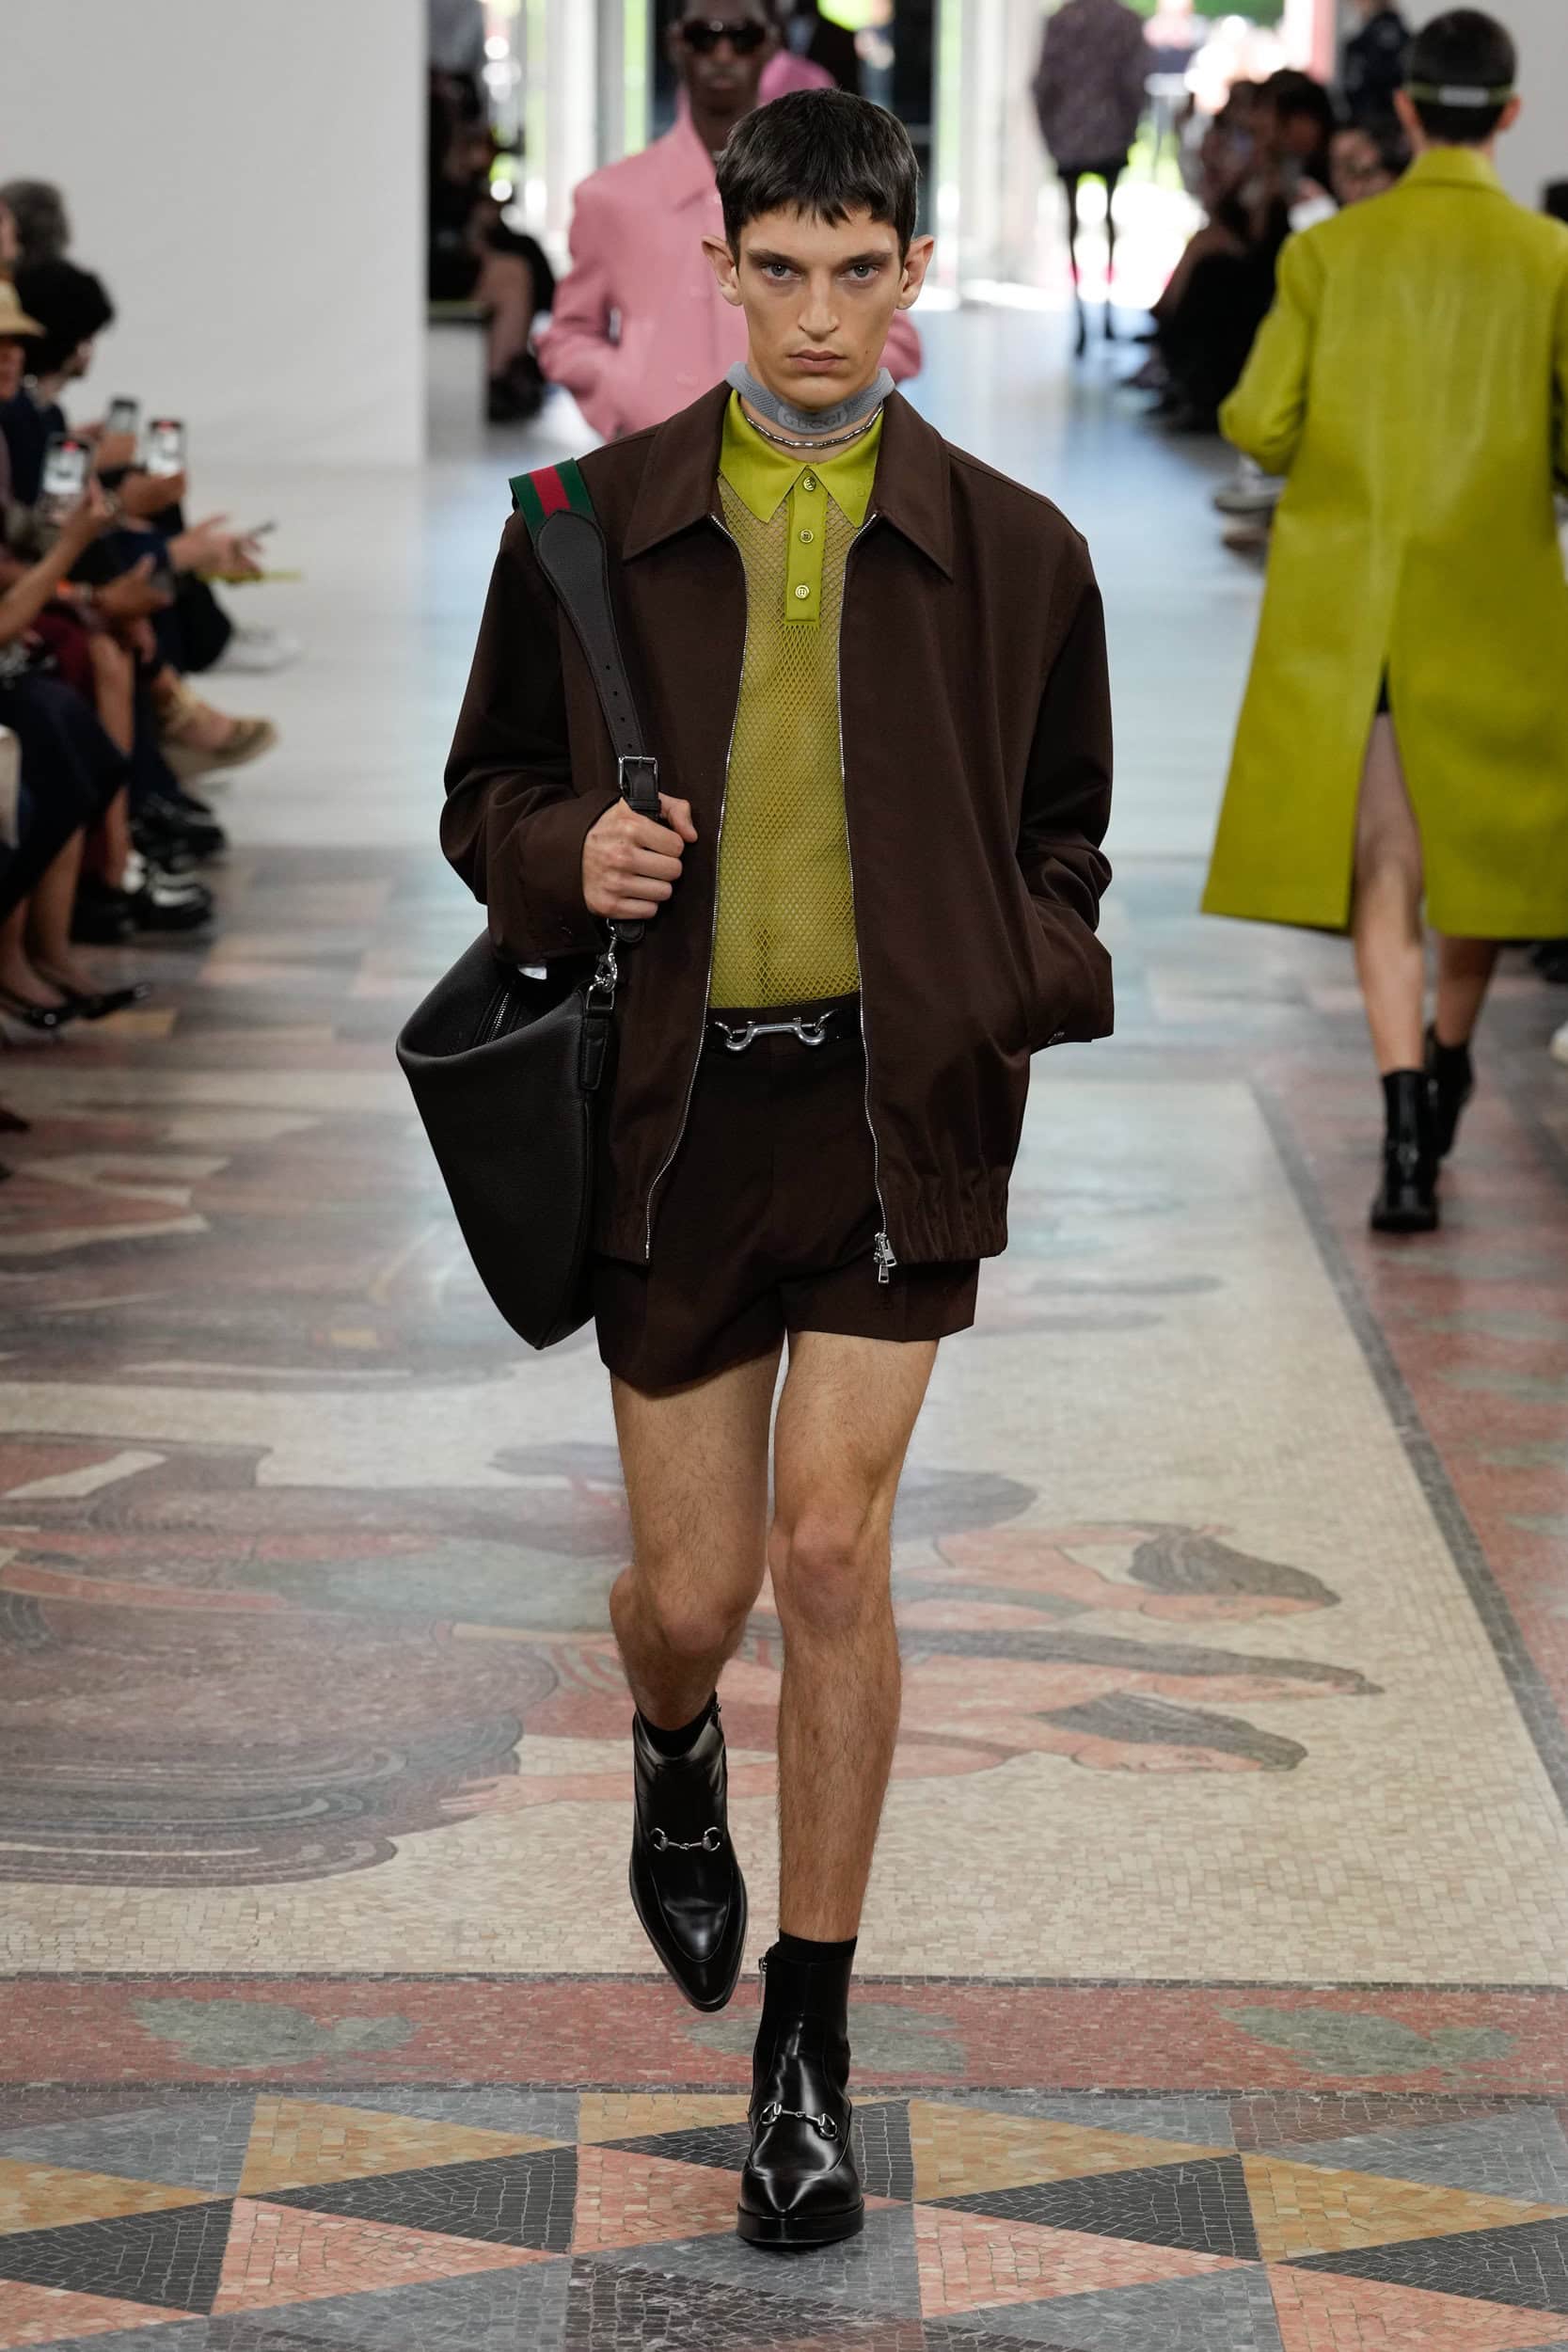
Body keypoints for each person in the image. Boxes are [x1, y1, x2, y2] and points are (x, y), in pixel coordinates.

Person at [442, 87, 1113, 2247]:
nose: (817, 316)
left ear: (910, 274)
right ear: (721, 268)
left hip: (895, 1113)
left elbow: (1065, 829)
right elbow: (487, 793)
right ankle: (670, 1742)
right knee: (691, 1595)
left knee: (830, 1552)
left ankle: (805, 2044)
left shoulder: (1020, 551)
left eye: (856, 272)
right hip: (673, 1119)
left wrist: (1014, 970)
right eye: (781, 271)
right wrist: (571, 853)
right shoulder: (585, 525)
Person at [1203, 10, 1568, 1232]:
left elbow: (1258, 422)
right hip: (1494, 595)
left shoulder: (1330, 256)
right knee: (1479, 859)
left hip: (1351, 599)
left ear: (1404, 112)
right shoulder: (1548, 258)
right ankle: (1447, 1061)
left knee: (1388, 862)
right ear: (1507, 115)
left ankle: (1401, 1118)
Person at [539, 1, 920, 441]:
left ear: (770, 46)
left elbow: (895, 332)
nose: (722, 54)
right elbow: (569, 334)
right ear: (677, 44)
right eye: (704, 36)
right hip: (656, 452)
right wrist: (629, 389)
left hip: (798, 455)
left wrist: (821, 403)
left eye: (743, 37)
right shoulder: (610, 196)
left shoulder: (826, 189)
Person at [1031, 0, 1150, 353]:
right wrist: (1130, 129)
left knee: (1072, 221)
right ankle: (1106, 313)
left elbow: (1042, 85)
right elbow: (1136, 84)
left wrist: (1051, 135)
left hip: (1069, 136)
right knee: (1109, 218)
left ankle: (1082, 315)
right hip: (1111, 133)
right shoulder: (1125, 21)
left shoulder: (1061, 21)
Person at [1342, 0, 1412, 124]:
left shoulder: (1359, 45)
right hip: (1405, 124)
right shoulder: (1411, 41)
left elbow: (1355, 94)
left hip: (1369, 125)